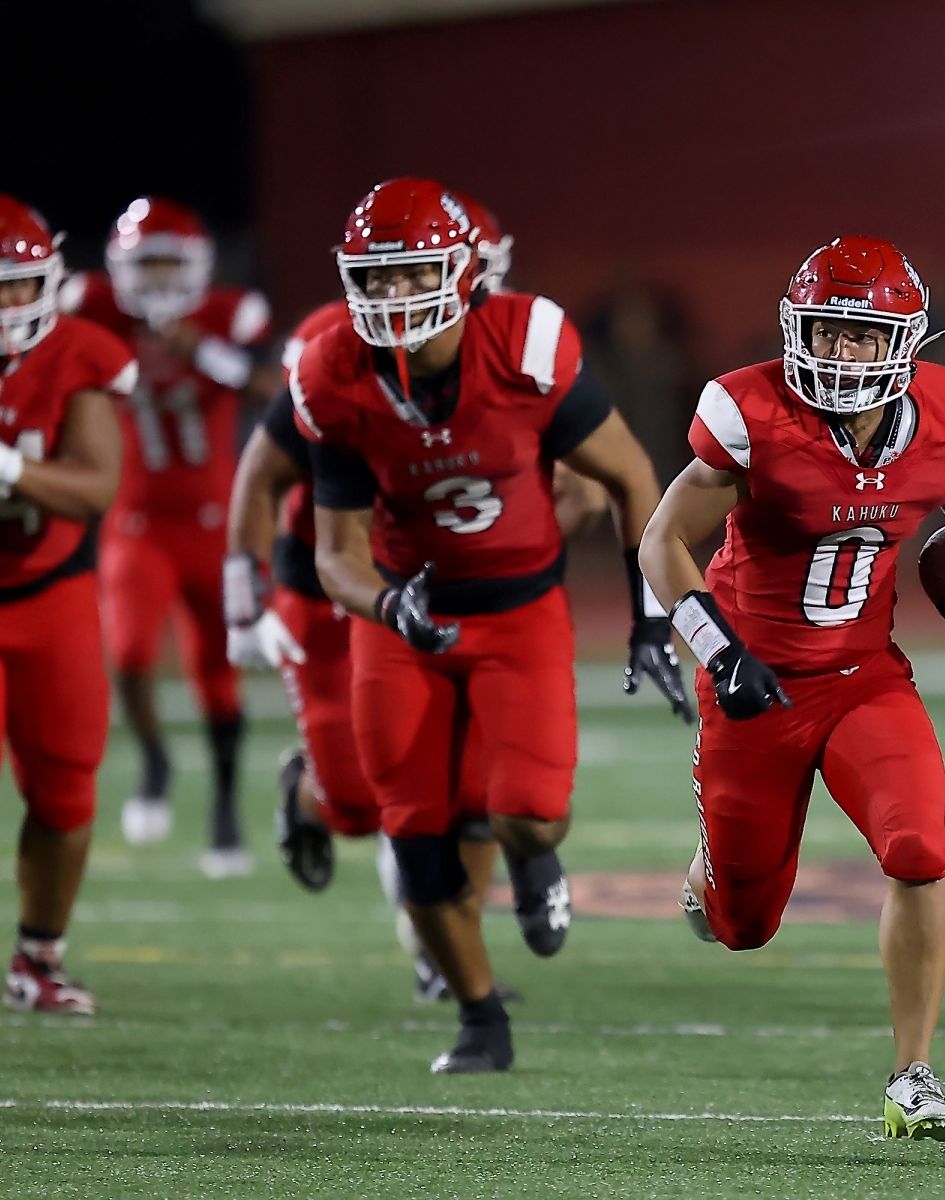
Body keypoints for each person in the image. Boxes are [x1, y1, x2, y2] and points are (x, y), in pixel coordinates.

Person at [640, 236, 945, 1140]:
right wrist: (718, 651)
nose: (840, 351)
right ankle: (707, 876)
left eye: (861, 334)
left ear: (903, 341)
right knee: (742, 925)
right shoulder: (753, 413)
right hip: (753, 684)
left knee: (918, 848)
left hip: (863, 679)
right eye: (825, 330)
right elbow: (662, 541)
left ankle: (914, 1075)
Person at [294, 177, 687, 1072]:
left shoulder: (525, 345)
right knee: (413, 828)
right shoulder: (331, 372)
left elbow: (630, 476)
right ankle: (479, 1017)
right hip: (403, 620)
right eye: (377, 277)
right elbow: (336, 553)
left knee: (531, 813)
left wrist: (649, 621)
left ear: (465, 272)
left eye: (413, 273)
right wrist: (386, 605)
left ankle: (532, 858)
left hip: (518, 610)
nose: (393, 294)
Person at [225, 200, 610, 1003]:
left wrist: (521, 533)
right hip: (332, 585)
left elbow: (584, 485)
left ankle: (447, 953)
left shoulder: (509, 347)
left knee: (472, 792)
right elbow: (261, 472)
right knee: (359, 802)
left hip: (452, 595)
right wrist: (241, 598)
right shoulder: (335, 351)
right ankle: (310, 794)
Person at [0, 193, 135, 1013]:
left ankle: (39, 960)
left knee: (66, 787)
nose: (3, 302)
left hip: (51, 592)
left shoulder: (80, 352)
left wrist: (0, 461)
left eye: (18, 283)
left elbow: (95, 487)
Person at [60, 196, 273, 878]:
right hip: (137, 521)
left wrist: (204, 353)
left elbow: (275, 389)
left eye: (167, 265)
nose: (155, 280)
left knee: (218, 677)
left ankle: (225, 807)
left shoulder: (230, 315)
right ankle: (154, 756)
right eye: (144, 265)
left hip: (215, 523)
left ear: (197, 266)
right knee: (127, 655)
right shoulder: (93, 306)